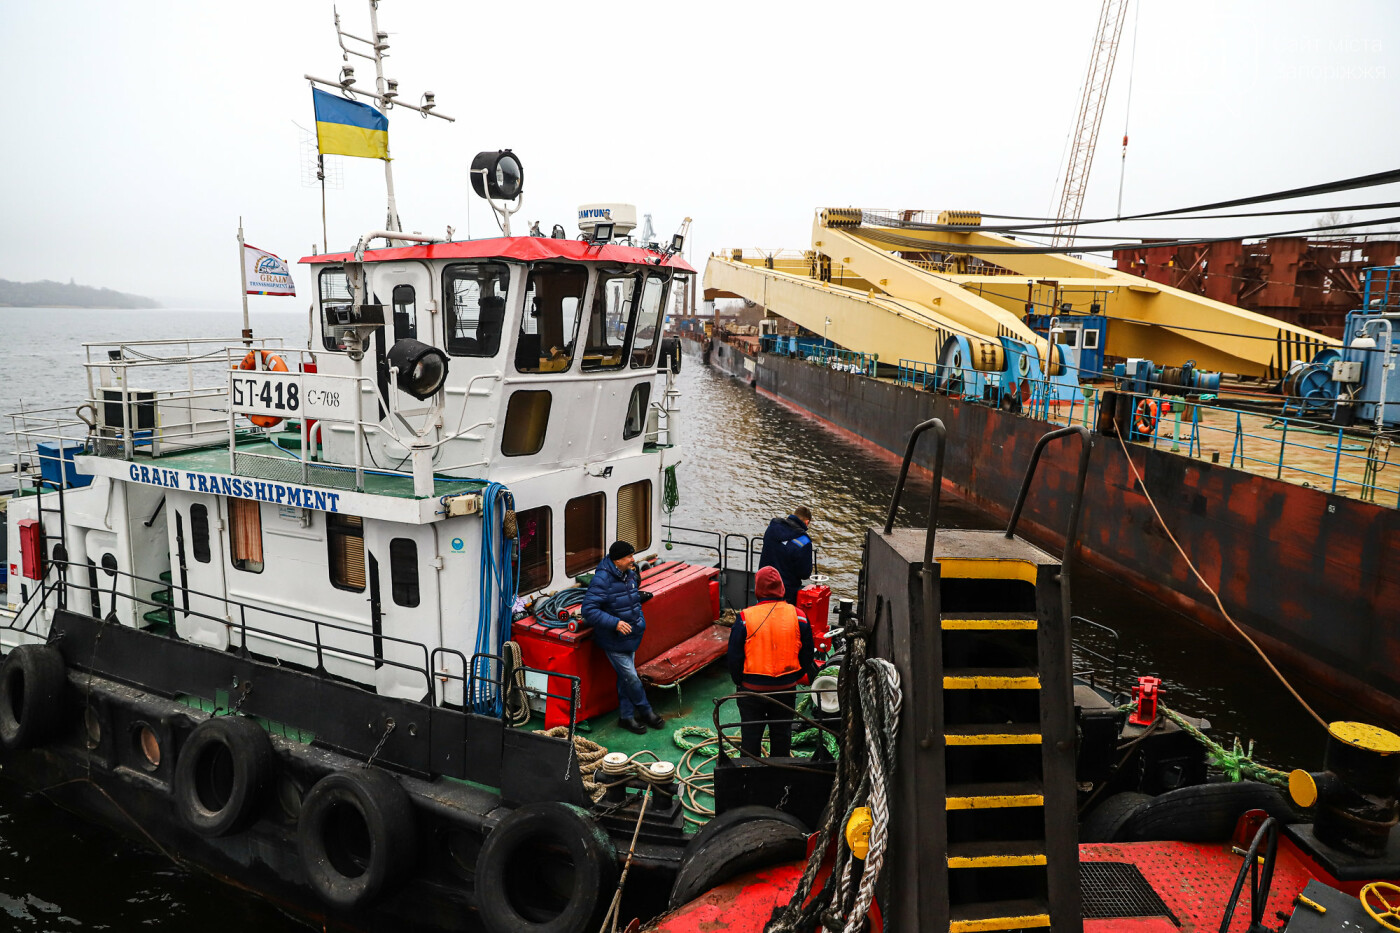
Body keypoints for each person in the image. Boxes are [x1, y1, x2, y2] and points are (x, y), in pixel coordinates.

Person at [727, 566, 819, 757]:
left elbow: (734, 657)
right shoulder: (799, 616)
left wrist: (741, 681)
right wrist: (794, 676)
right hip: (786, 689)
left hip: (752, 691)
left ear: (757, 590)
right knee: (782, 737)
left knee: (750, 739)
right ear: (782, 589)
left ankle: (749, 778)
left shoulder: (744, 618)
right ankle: (780, 779)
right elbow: (808, 653)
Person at [582, 540, 662, 735]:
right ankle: (646, 710)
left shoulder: (630, 574)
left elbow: (631, 595)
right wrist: (615, 623)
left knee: (625, 678)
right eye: (629, 557)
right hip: (613, 639)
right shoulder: (602, 579)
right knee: (632, 678)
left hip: (631, 636)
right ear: (617, 560)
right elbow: (588, 610)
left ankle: (626, 717)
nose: (633, 560)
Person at [758, 506, 814, 605]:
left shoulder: (773, 527)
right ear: (806, 522)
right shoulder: (804, 541)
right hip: (786, 591)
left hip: (763, 583)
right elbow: (804, 573)